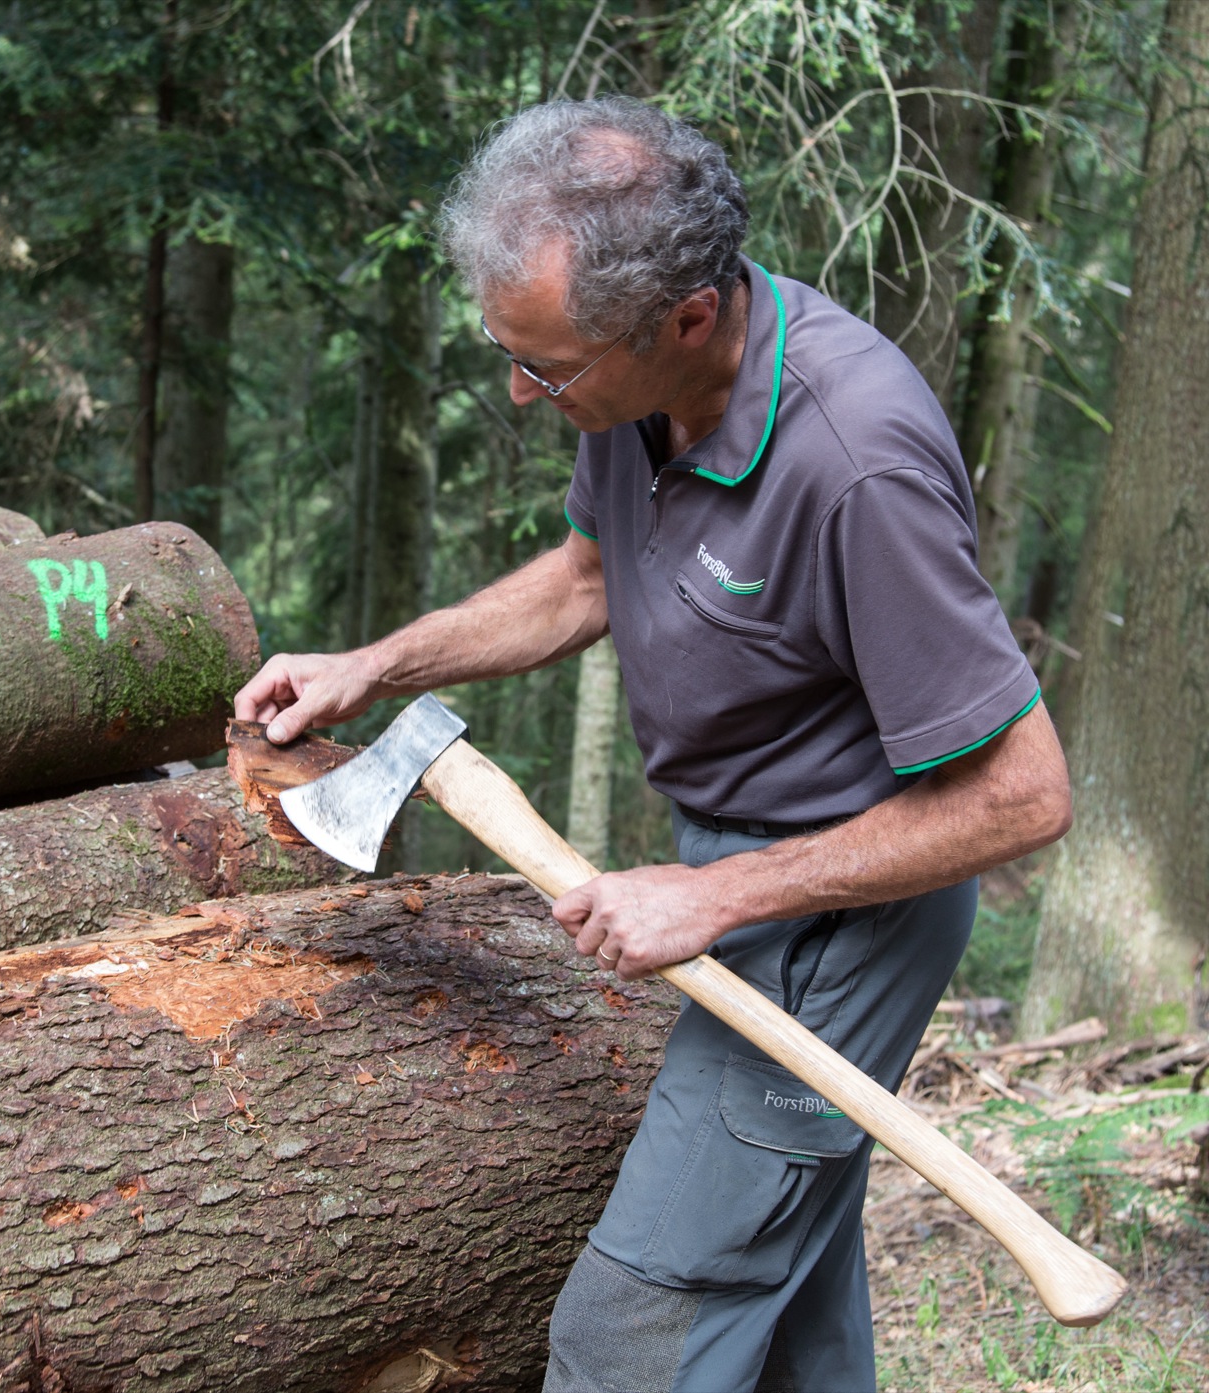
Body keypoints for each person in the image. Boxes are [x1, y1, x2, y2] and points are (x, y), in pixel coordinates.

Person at [233, 96, 1072, 1393]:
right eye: (512, 356)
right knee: (789, 1314)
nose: (521, 393)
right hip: (743, 874)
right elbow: (582, 582)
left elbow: (1023, 796)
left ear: (688, 314)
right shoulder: (641, 388)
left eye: (549, 368)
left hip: (841, 919)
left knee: (634, 1330)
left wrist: (716, 892)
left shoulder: (857, 463)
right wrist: (375, 664)